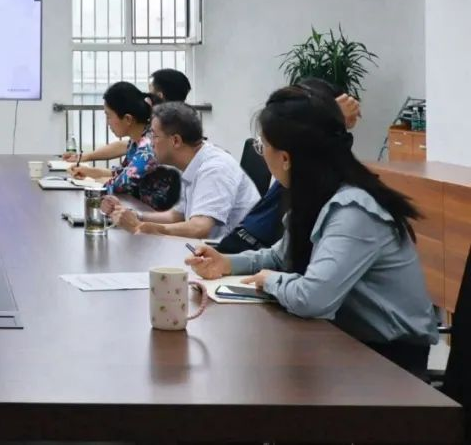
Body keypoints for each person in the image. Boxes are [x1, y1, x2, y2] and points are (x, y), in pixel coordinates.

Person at [187, 85, 437, 379]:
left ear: (286, 158)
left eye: (262, 146)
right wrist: (226, 263)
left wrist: (270, 280)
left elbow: (312, 298)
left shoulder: (353, 210)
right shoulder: (315, 195)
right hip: (346, 344)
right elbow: (279, 257)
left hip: (389, 365)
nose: (261, 154)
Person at [216, 78, 362, 254]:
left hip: (254, 248)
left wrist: (332, 118)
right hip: (246, 245)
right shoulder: (293, 166)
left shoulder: (346, 205)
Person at [104, 102, 259, 238]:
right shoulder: (191, 162)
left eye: (154, 136)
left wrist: (141, 227)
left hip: (228, 253)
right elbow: (176, 216)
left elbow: (199, 228)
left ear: (176, 141)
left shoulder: (214, 169)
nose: (150, 143)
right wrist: (134, 215)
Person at [69, 82, 178, 211]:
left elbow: (118, 186)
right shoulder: (137, 141)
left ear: (128, 119)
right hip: (140, 209)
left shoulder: (149, 147)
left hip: (154, 216)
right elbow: (121, 173)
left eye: (108, 116)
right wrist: (90, 172)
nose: (107, 123)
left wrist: (94, 180)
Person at [64, 68, 191, 163]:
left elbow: (125, 178)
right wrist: (86, 157)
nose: (146, 98)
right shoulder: (178, 123)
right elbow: (129, 145)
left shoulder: (163, 133)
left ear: (160, 96)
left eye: (150, 92)